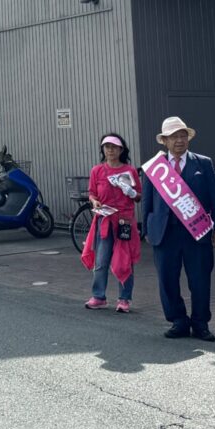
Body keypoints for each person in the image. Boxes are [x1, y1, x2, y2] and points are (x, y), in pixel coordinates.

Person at [140, 116, 215, 342]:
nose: (179, 140)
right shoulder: (154, 168)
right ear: (164, 141)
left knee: (200, 279)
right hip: (164, 232)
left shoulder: (203, 163)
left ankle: (200, 323)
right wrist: (147, 230)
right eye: (173, 137)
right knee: (167, 280)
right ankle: (178, 320)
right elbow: (147, 202)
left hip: (197, 232)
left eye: (182, 136)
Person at [80, 132, 142, 313]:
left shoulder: (129, 171)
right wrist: (95, 202)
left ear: (121, 149)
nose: (110, 150)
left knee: (125, 261)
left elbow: (139, 196)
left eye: (114, 147)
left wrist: (130, 192)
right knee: (101, 260)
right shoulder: (97, 170)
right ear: (103, 149)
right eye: (107, 147)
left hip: (124, 221)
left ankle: (124, 299)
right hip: (104, 219)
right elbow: (92, 193)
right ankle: (99, 296)